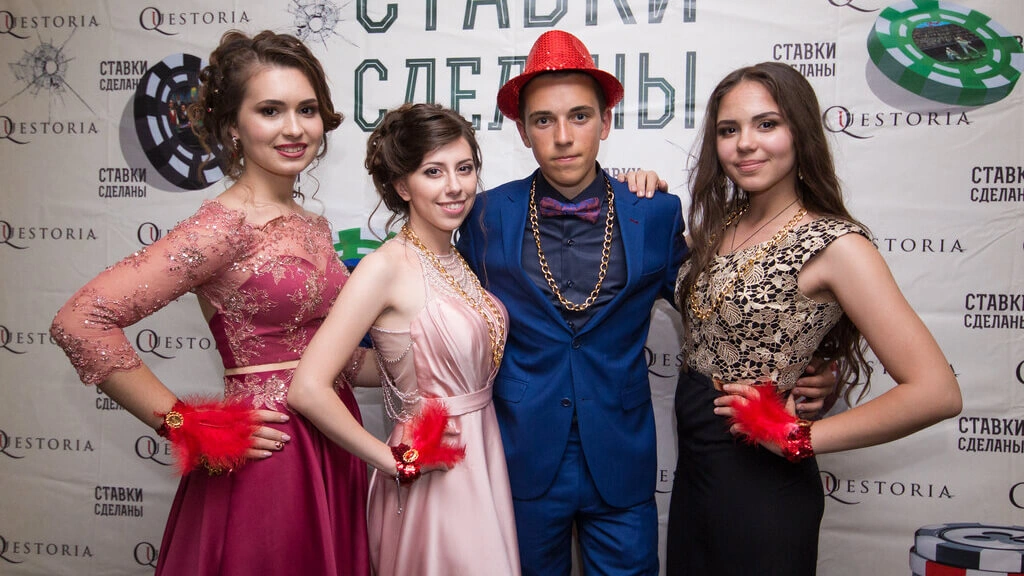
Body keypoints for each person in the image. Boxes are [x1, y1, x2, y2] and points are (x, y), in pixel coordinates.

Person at [50, 31, 373, 576]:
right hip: (273, 454)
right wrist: (185, 424)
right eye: (270, 110)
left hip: (335, 443)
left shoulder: (312, 224)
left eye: (307, 109)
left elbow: (326, 356)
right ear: (232, 128)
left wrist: (427, 361)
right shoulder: (222, 227)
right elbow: (80, 321)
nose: (294, 128)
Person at [666, 61, 962, 576]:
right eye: (728, 130)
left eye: (767, 124)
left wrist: (797, 438)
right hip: (698, 474)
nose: (745, 144)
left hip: (763, 490)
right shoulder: (720, 226)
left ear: (800, 131)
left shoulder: (836, 244)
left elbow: (937, 391)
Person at [288, 103, 520, 575]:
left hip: (484, 453)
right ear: (402, 186)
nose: (455, 186)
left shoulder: (459, 257)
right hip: (432, 468)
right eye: (433, 171)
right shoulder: (385, 266)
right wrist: (394, 461)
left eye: (464, 168)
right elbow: (307, 388)